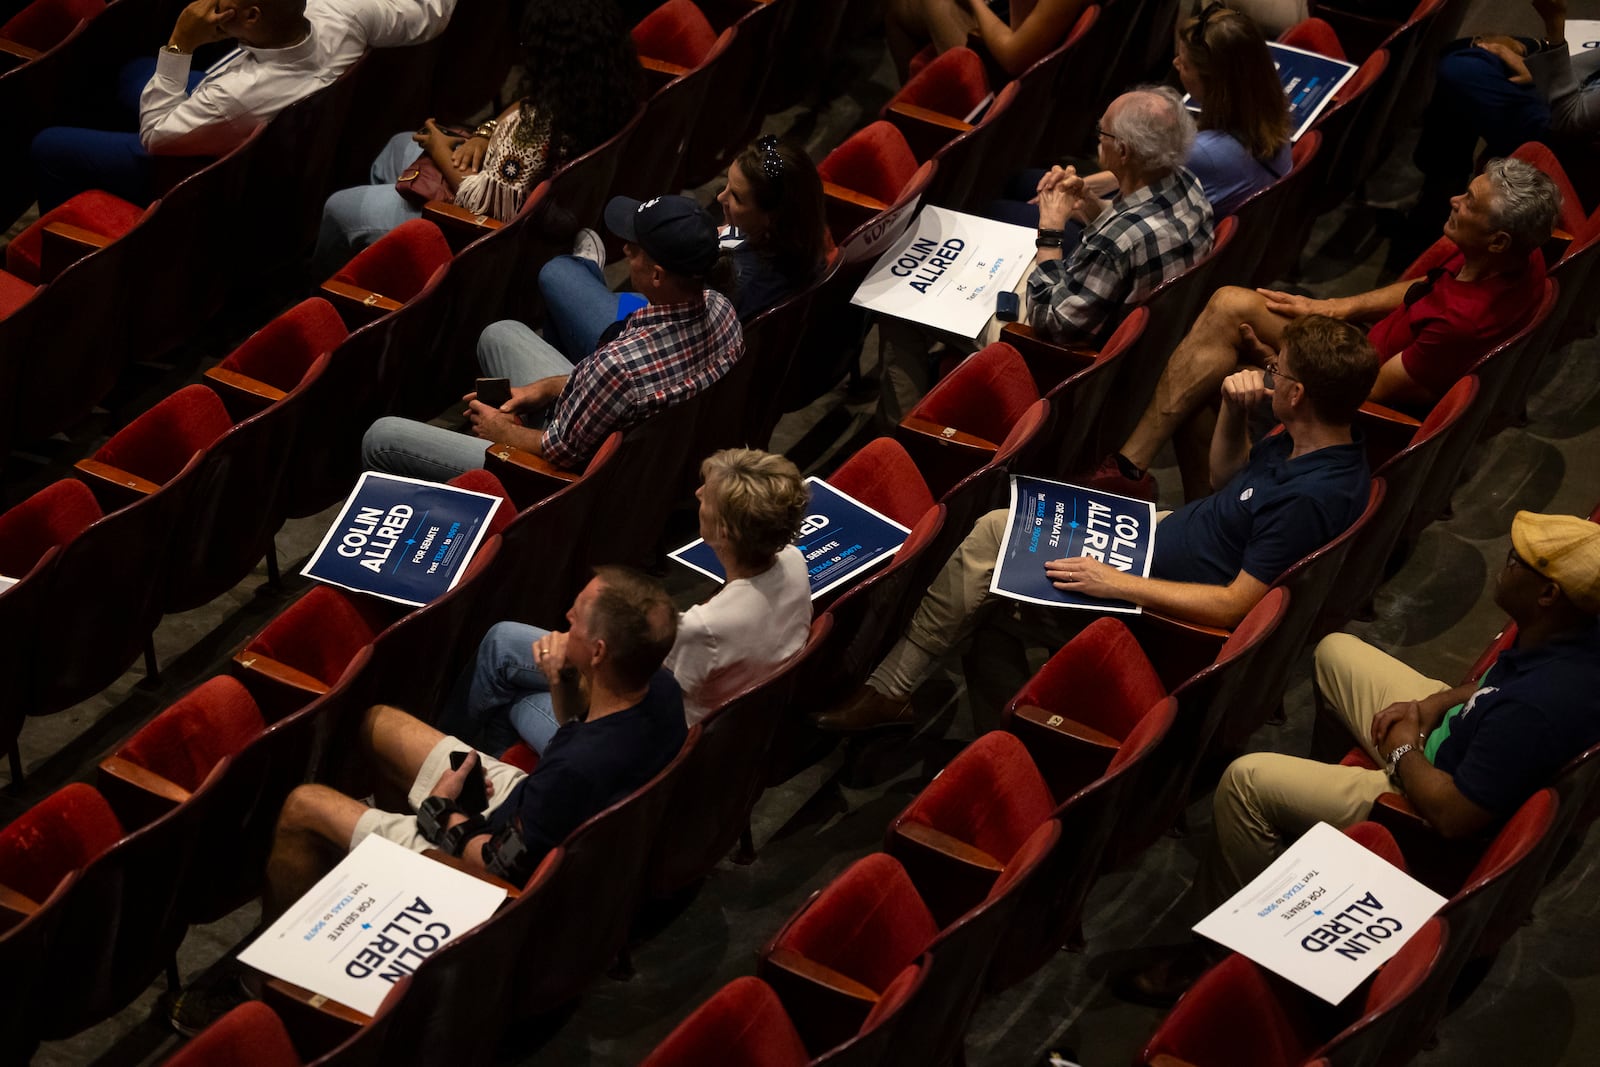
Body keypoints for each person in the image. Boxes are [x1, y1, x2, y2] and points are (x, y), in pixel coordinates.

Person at [1123, 511, 1600, 1004]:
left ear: (1549, 594)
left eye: (1518, 561)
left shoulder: (1536, 708)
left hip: (1423, 798)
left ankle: (1226, 957)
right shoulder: (1569, 634)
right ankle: (1331, 849)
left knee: (1245, 782)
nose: (1507, 562)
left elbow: (1453, 817)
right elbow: (1489, 689)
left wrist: (1402, 748)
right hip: (1451, 736)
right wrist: (1429, 705)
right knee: (1334, 651)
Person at [818, 314, 1376, 731]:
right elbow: (1228, 481)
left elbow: (1236, 605)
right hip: (1152, 532)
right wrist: (1234, 413)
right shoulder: (1309, 439)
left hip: (1148, 584)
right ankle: (956, 696)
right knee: (1008, 530)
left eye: (1277, 372)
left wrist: (1114, 583)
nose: (1266, 375)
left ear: (1298, 394)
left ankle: (892, 688)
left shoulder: (1310, 497)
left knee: (992, 538)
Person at [1091, 157, 1560, 501]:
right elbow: (1427, 287)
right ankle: (1150, 479)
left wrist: (1276, 363)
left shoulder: (1465, 323)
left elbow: (1367, 388)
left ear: (1498, 239)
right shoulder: (1517, 256)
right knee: (1219, 332)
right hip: (1356, 346)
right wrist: (1338, 306)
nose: (1455, 200)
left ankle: (1147, 478)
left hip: (1351, 388)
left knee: (1211, 366)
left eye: (1470, 202)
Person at [263, 567, 686, 909]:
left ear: (597, 652)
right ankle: (388, 879)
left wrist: (442, 810)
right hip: (530, 812)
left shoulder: (574, 770)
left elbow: (496, 865)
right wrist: (559, 678)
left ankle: (262, 983)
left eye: (575, 616)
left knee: (303, 807)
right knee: (378, 724)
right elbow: (577, 723)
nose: (567, 619)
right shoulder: (660, 689)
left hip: (493, 870)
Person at [440, 449, 813, 754]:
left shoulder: (703, 628)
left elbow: (631, 705)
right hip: (741, 734)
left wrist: (565, 677)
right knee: (504, 641)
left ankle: (441, 757)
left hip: (654, 751)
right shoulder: (795, 562)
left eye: (707, 495)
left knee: (509, 681)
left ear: (725, 531)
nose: (698, 494)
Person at [877, 86, 1214, 422]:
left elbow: (1052, 324)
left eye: (1103, 131)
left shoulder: (1115, 243)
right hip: (1122, 331)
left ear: (1123, 151)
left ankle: (909, 432)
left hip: (1052, 346)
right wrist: (1087, 203)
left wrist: (1051, 228)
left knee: (897, 305)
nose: (1099, 137)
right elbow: (1130, 231)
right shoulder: (1187, 184)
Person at [360, 194, 743, 479]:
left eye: (635, 248)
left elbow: (557, 452)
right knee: (500, 333)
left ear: (658, 275)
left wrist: (501, 432)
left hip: (557, 476)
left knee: (380, 437)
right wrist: (540, 390)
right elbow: (603, 385)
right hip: (642, 461)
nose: (625, 249)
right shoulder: (721, 309)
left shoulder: (618, 369)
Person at [29, 0, 457, 211]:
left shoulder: (234, 97)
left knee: (50, 144)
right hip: (265, 127)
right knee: (132, 72)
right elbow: (427, 15)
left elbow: (156, 135)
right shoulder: (341, 13)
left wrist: (180, 44)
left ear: (251, 17)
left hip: (197, 163)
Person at [314, 0, 641, 265]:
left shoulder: (531, 128)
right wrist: (485, 134)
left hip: (477, 231)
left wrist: (441, 150)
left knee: (338, 207)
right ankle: (391, 263)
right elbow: (523, 107)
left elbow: (488, 206)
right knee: (398, 145)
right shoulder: (602, 90)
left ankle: (332, 287)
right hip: (521, 191)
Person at [987, 4, 1291, 226]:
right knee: (1025, 181)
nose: (1174, 63)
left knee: (1000, 211)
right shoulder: (1266, 112)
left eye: (1184, 63)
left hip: (1135, 246)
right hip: (1155, 215)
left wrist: (1071, 204)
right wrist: (1079, 185)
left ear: (1213, 82)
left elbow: (1125, 226)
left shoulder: (1203, 153)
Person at [536, 136, 826, 361]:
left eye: (736, 197)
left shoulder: (736, 283)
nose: (720, 196)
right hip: (659, 316)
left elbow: (673, 331)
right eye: (726, 185)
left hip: (645, 342)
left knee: (556, 273)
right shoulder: (805, 244)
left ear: (771, 217)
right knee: (594, 297)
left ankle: (576, 382)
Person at [1410, 0, 1597, 249]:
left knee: (1462, 69)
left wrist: (1555, 23)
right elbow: (1588, 66)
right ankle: (1441, 191)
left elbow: (1568, 118)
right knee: (1468, 49)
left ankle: (1437, 200)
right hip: (1571, 101)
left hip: (1576, 148)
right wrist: (1534, 50)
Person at [884, 0, 1087, 84]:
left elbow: (1014, 59)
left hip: (1004, 75)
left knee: (935, 3)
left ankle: (915, 111)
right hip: (1026, 46)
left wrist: (974, 2)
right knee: (899, 9)